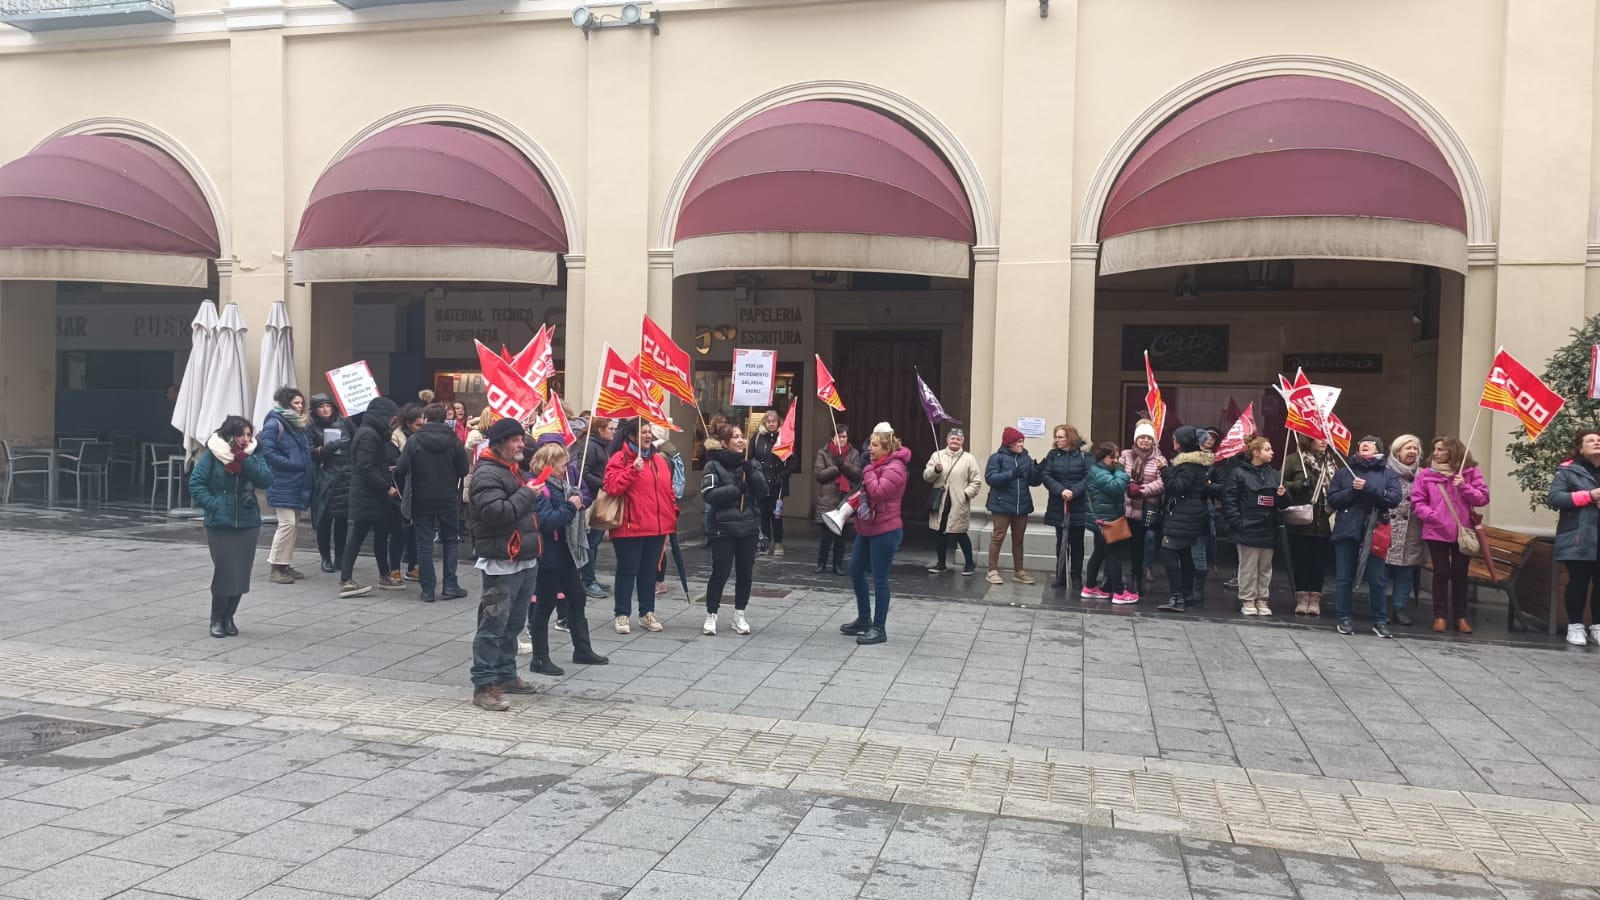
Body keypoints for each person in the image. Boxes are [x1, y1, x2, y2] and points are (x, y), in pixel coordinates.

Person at [466, 418, 542, 711]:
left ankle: (506, 674)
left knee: (513, 623)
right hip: (501, 561)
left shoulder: (513, 470)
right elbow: (497, 513)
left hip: (522, 559)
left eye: (521, 438)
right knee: (493, 625)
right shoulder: (487, 474)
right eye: (514, 440)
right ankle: (484, 686)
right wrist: (527, 494)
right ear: (498, 444)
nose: (521, 444)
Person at [527, 438, 610, 674]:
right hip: (548, 556)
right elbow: (547, 521)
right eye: (563, 466)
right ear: (549, 466)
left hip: (567, 553)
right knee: (545, 606)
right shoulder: (539, 487)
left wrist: (576, 502)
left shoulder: (561, 486)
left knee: (577, 598)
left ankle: (582, 649)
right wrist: (571, 506)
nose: (567, 470)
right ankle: (539, 658)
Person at [190, 415, 273, 638]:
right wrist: (213, 505)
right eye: (241, 435)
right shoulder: (213, 454)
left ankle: (229, 616)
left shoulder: (254, 453)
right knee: (226, 570)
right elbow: (196, 483)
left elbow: (266, 479)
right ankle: (216, 618)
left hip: (247, 522)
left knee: (242, 572)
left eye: (249, 434)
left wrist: (244, 458)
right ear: (230, 435)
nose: (246, 439)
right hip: (220, 522)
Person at [603, 418, 679, 634]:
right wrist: (632, 470)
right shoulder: (620, 458)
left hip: (656, 527)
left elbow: (667, 490)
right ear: (632, 436)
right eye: (643, 432)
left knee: (648, 572)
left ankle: (647, 613)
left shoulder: (659, 461)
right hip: (630, 526)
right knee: (627, 570)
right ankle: (622, 614)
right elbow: (612, 487)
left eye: (649, 432)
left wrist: (672, 511)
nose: (648, 436)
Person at [839, 423, 911, 645]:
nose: (870, 448)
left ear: (887, 447)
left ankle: (879, 628)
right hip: (868, 527)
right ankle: (864, 618)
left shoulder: (895, 467)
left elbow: (879, 492)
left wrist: (868, 470)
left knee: (880, 578)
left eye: (875, 445)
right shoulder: (877, 464)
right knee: (855, 570)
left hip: (886, 530)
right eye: (870, 444)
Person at [1412, 435, 1490, 635]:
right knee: (1441, 573)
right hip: (1436, 530)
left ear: (1452, 452)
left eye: (1441, 449)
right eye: (1435, 449)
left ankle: (1461, 616)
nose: (1436, 453)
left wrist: (1464, 485)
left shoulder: (1470, 472)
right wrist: (1433, 516)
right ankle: (1440, 616)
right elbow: (1417, 502)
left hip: (1462, 531)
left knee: (1459, 574)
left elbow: (1482, 498)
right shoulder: (1426, 475)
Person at [395, 403, 470, 603]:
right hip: (447, 498)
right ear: (444, 419)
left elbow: (400, 469)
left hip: (421, 498)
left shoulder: (415, 440)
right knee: (450, 540)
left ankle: (428, 589)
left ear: (426, 418)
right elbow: (464, 469)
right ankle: (450, 585)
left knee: (424, 543)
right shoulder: (453, 440)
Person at [1329, 435, 1401, 637]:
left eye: (1370, 444)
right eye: (1362, 444)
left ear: (1378, 449)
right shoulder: (1344, 473)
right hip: (1347, 529)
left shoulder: (1388, 474)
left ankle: (1380, 620)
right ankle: (1343, 617)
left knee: (1377, 578)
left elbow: (1394, 499)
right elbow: (1333, 499)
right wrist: (1352, 491)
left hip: (1375, 530)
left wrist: (1368, 489)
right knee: (1344, 577)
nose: (1365, 446)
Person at [701, 424, 768, 635]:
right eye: (735, 437)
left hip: (748, 526)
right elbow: (709, 494)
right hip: (724, 527)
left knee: (745, 573)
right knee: (720, 572)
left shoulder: (751, 462)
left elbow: (763, 491)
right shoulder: (713, 465)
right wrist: (735, 490)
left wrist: (752, 473)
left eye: (742, 437)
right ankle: (711, 614)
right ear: (724, 442)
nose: (741, 441)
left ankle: (739, 614)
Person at [336, 396, 403, 598]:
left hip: (373, 495)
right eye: (391, 417)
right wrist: (386, 486)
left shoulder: (374, 433)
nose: (393, 421)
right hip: (368, 494)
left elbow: (371, 464)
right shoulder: (368, 435)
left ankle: (384, 574)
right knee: (358, 535)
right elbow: (365, 467)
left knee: (381, 535)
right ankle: (345, 579)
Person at [1222, 435, 1288, 616]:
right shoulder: (1238, 473)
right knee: (1248, 567)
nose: (1272, 452)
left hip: (1268, 528)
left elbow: (1283, 505)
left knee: (1265, 567)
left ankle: (1262, 599)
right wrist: (1238, 522)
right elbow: (1230, 500)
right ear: (1256, 452)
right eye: (1268, 449)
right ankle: (1248, 598)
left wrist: (1283, 495)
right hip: (1247, 528)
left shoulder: (1276, 475)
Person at [1548, 430, 1600, 646]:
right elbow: (1555, 498)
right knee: (1578, 581)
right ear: (1580, 447)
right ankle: (1575, 626)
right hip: (1579, 535)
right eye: (1591, 440)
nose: (1597, 442)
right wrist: (1588, 496)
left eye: (1599, 440)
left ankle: (1597, 626)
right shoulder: (1568, 470)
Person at [1154, 426, 1214, 612]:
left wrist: (1164, 470)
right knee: (1184, 554)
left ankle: (1177, 596)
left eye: (1175, 440)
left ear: (1182, 443)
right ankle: (1187, 594)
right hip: (1190, 514)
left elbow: (1178, 487)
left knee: (1168, 551)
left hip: (1182, 515)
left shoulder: (1187, 465)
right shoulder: (1196, 464)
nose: (1173, 442)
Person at [258, 387, 314, 585]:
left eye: (301, 403)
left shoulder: (297, 425)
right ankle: (275, 567)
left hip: (297, 481)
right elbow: (268, 452)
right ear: (286, 403)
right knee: (287, 523)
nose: (300, 407)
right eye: (296, 403)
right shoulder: (275, 423)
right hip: (283, 480)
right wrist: (293, 464)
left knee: (294, 525)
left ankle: (285, 564)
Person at [1282, 436, 1338, 616]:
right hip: (1301, 520)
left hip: (1324, 522)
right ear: (1308, 440)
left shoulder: (1331, 462)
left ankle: (1315, 599)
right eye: (1319, 439)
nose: (1324, 442)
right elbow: (1280, 483)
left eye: (1326, 439)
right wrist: (1299, 485)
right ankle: (1301, 598)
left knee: (1319, 563)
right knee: (1301, 561)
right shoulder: (1293, 459)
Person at [985, 426, 1041, 585]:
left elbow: (1033, 482)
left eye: (1022, 442)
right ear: (1009, 443)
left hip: (1021, 505)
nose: (1021, 445)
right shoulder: (997, 458)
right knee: (998, 537)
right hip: (1002, 504)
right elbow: (991, 478)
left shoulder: (1026, 458)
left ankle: (1019, 571)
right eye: (1018, 442)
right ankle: (992, 571)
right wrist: (1011, 474)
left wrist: (1038, 471)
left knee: (1019, 539)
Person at [924, 427, 982, 575]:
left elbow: (976, 481)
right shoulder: (937, 455)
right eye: (952, 438)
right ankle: (941, 563)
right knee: (939, 532)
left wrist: (965, 494)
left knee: (960, 532)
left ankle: (969, 563)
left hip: (958, 502)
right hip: (941, 501)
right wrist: (935, 470)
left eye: (958, 439)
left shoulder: (969, 458)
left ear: (962, 441)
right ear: (947, 440)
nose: (955, 441)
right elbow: (926, 476)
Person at [1382, 435, 1427, 625]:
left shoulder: (1423, 474)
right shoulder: (1384, 472)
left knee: (1406, 571)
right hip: (1386, 527)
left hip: (1412, 529)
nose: (1412, 451)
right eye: (1408, 447)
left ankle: (1399, 607)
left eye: (1415, 448)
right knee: (1381, 571)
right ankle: (1380, 609)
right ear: (1397, 451)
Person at [1121, 419, 1167, 601]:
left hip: (1145, 510)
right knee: (1116, 545)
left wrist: (1142, 490)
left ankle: (1137, 578)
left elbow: (1162, 481)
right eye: (1142, 437)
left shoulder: (1159, 459)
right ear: (1136, 439)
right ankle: (1113, 579)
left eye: (1149, 438)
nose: (1145, 441)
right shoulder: (1126, 455)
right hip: (1124, 509)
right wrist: (1129, 485)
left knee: (1138, 547)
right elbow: (1118, 473)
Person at [1041, 425, 1091, 590]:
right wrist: (1061, 490)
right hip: (1059, 503)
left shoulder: (1084, 455)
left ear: (1070, 437)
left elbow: (1090, 476)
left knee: (1077, 543)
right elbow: (1046, 475)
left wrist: (1074, 492)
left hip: (1078, 505)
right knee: (1061, 542)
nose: (1057, 440)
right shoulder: (1053, 455)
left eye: (1061, 437)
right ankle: (1060, 575)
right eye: (1056, 437)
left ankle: (1076, 577)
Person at [308, 393, 354, 574]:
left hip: (346, 475)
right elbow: (311, 451)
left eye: (328, 405)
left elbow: (357, 441)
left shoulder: (345, 422)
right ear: (315, 410)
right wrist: (329, 447)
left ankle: (340, 557)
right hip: (326, 477)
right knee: (324, 520)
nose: (326, 409)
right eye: (321, 406)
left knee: (342, 520)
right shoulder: (311, 428)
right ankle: (325, 557)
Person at [1083, 442, 1133, 602]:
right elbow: (1116, 487)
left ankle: (1090, 587)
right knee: (1113, 555)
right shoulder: (1100, 473)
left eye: (1118, 457)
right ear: (1103, 457)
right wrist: (1121, 471)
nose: (1116, 461)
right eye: (1113, 457)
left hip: (1102, 519)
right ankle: (1119, 592)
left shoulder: (1100, 470)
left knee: (1099, 553)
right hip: (1107, 520)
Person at [815, 423, 864, 575]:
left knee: (842, 536)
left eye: (844, 436)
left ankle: (837, 564)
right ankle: (821, 563)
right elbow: (819, 475)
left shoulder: (854, 453)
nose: (841, 439)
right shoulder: (823, 453)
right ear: (833, 437)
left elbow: (858, 474)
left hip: (846, 499)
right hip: (828, 499)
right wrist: (836, 467)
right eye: (838, 436)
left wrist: (845, 465)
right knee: (826, 535)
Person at [751, 409, 797, 556]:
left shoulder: (784, 438)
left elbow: (793, 460)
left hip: (778, 483)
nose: (771, 424)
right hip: (761, 482)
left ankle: (778, 542)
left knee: (776, 514)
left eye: (774, 421)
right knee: (763, 514)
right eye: (768, 421)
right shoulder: (757, 437)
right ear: (765, 422)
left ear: (778, 422)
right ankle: (765, 541)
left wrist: (783, 475)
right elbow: (750, 456)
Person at [580, 416, 615, 599]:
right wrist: (603, 484)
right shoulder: (590, 447)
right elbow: (583, 472)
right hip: (592, 499)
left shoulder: (601, 447)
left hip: (599, 498)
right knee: (590, 543)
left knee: (594, 542)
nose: (613, 431)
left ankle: (590, 577)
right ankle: (587, 580)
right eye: (610, 428)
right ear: (599, 430)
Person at [393, 404, 425, 583]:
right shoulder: (396, 437)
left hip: (416, 487)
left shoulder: (421, 437)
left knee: (413, 529)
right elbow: (396, 463)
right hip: (400, 487)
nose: (421, 429)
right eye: (418, 425)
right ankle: (394, 568)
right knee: (400, 530)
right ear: (408, 423)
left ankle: (414, 566)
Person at [699, 412, 728, 549]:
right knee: (709, 508)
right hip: (712, 475)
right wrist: (707, 447)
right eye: (719, 422)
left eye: (724, 422)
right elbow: (701, 456)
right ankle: (708, 533)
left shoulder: (728, 438)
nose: (722, 425)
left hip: (724, 475)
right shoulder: (709, 437)